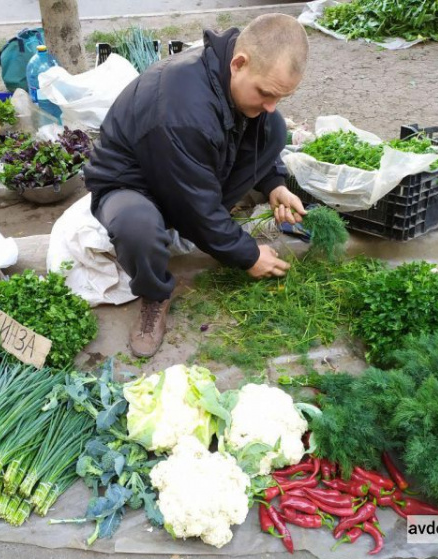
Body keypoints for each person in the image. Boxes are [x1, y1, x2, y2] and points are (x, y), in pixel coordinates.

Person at [84, 14, 309, 358]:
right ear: (239, 63)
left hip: (185, 173)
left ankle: (215, 229)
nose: (270, 104)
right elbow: (194, 207)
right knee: (138, 226)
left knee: (275, 127)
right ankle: (155, 294)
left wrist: (274, 183)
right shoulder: (180, 109)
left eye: (281, 96)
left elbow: (256, 131)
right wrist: (247, 254)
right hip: (131, 185)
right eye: (265, 93)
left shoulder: (233, 81)